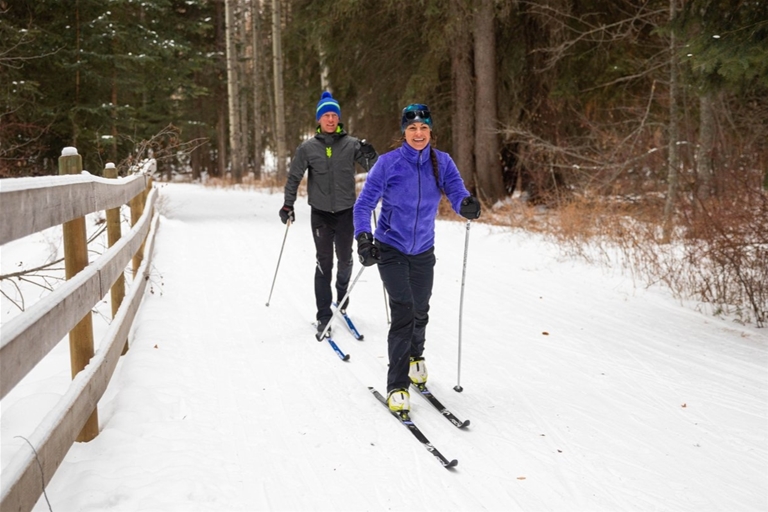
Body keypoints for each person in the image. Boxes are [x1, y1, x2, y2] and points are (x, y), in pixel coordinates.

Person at [352, 103, 481, 413]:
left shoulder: (442, 162)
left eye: (424, 127)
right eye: (412, 128)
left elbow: (456, 190)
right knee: (404, 311)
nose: (418, 133)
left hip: (423, 248)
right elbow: (363, 205)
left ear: (431, 131)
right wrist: (363, 237)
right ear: (404, 132)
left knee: (421, 309)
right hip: (391, 247)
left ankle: (414, 357)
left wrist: (466, 204)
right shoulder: (387, 164)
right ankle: (397, 385)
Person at [280, 91, 377, 336]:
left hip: (346, 212)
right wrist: (287, 205)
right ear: (319, 120)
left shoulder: (352, 144)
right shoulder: (307, 148)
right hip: (321, 214)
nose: (331, 119)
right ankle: (323, 315)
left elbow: (375, 169)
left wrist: (370, 154)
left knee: (345, 259)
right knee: (324, 262)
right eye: (326, 115)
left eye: (334, 115)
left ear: (339, 119)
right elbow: (294, 177)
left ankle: (342, 296)